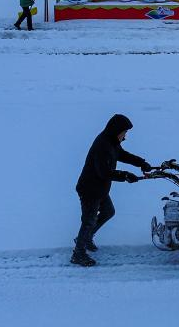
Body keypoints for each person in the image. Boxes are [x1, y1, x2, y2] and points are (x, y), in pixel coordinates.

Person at [71, 114, 152, 267]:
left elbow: (121, 154)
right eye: (125, 132)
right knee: (88, 221)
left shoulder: (111, 142)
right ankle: (78, 253)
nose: (125, 136)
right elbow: (104, 172)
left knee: (108, 211)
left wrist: (141, 163)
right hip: (90, 189)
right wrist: (126, 175)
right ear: (117, 130)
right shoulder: (103, 145)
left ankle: (86, 238)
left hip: (99, 188)